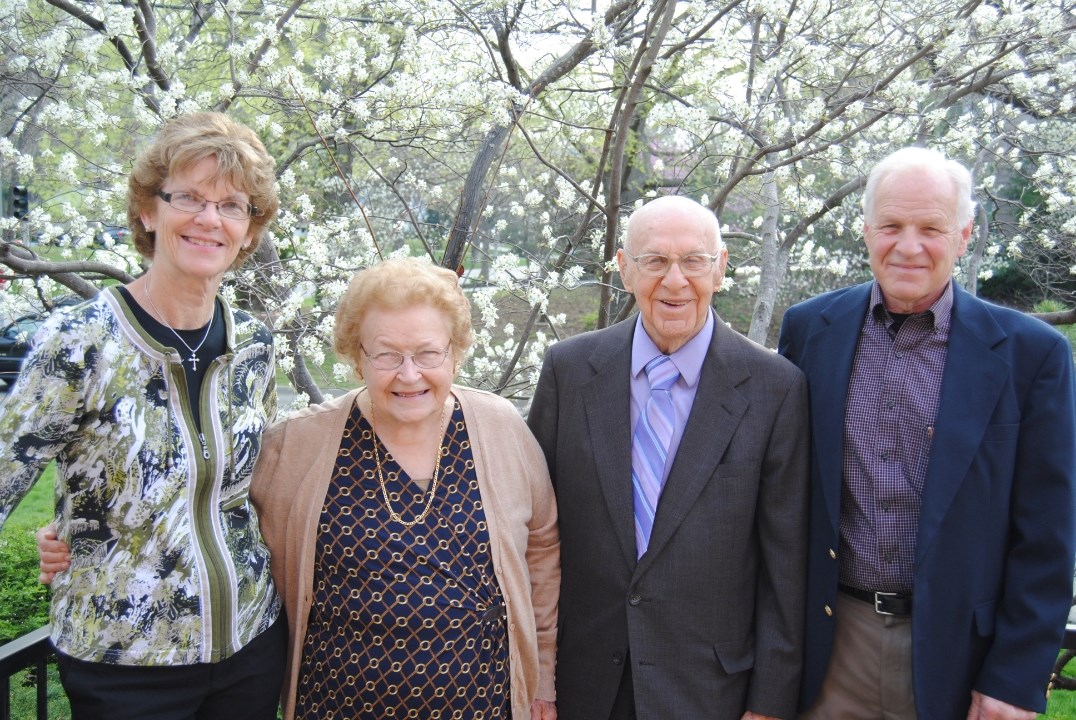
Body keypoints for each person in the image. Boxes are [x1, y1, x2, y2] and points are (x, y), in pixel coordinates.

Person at [3, 111, 286, 719]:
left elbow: (256, 485)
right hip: (123, 663)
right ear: (148, 211)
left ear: (247, 230)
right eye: (188, 196)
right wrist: (68, 527)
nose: (209, 218)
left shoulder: (255, 347)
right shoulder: (79, 342)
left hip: (250, 646)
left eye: (232, 205)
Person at [778, 146, 1076, 720]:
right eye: (891, 225)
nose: (908, 246)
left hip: (960, 655)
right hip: (829, 647)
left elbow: (1048, 535)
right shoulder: (809, 331)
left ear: (963, 236)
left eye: (931, 228)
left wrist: (1015, 678)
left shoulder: (1031, 356)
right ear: (866, 231)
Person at [528, 195, 809, 720]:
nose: (674, 280)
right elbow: (536, 536)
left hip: (710, 692)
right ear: (624, 269)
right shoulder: (568, 372)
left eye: (694, 261)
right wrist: (537, 672)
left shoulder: (775, 388)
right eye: (654, 261)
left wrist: (770, 703)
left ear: (720, 268)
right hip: (583, 684)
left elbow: (785, 565)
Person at [247, 257, 560, 720]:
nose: (409, 374)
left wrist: (543, 679)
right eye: (388, 354)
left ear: (455, 351)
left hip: (482, 705)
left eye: (428, 353)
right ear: (357, 356)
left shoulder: (502, 430)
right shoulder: (294, 446)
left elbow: (542, 549)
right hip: (337, 705)